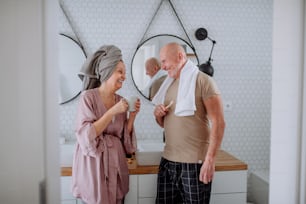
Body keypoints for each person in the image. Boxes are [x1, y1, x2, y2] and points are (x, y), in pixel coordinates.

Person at [152, 42, 225, 204]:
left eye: (164, 61)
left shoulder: (204, 81)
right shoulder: (168, 84)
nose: (162, 67)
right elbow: (167, 124)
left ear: (179, 56)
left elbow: (219, 123)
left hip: (194, 164)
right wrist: (158, 115)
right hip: (168, 161)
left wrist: (210, 160)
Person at [72, 45, 141, 204]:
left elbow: (126, 143)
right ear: (107, 71)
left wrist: (132, 117)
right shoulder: (88, 98)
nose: (124, 76)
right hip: (93, 166)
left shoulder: (120, 101)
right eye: (120, 71)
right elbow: (85, 135)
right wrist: (111, 112)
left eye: (124, 72)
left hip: (115, 164)